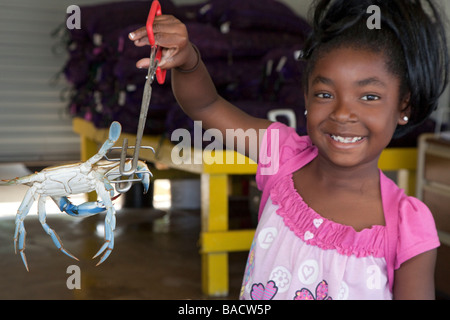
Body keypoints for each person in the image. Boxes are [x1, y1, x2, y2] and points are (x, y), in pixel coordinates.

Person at [129, 0, 449, 299]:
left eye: (369, 97)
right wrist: (188, 61)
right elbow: (207, 105)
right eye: (325, 94)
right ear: (306, 97)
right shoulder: (281, 155)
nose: (342, 114)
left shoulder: (408, 226)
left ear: (402, 105)